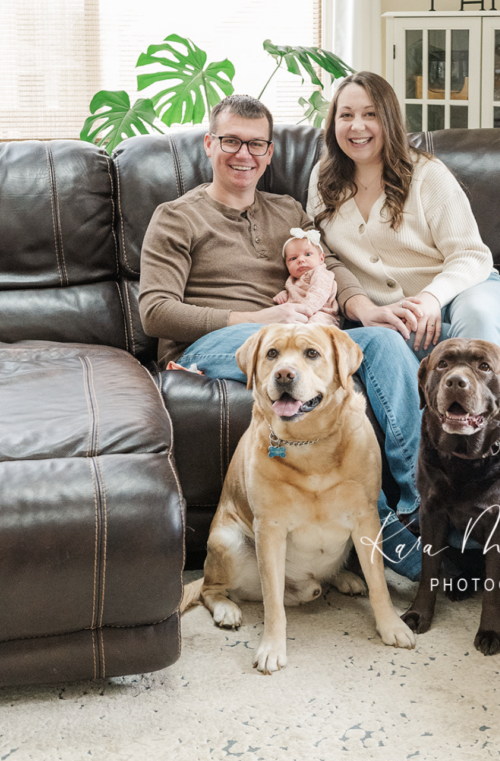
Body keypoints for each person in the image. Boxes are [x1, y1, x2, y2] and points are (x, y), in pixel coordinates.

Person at [138, 93, 424, 580]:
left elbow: (330, 264)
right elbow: (155, 312)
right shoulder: (176, 216)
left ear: (270, 153)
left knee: (386, 344)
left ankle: (419, 498)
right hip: (212, 344)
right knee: (327, 380)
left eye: (255, 144)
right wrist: (257, 321)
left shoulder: (287, 209)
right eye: (230, 141)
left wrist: (364, 309)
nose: (243, 154)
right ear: (209, 144)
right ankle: (394, 542)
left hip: (292, 335)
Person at [306, 71, 500, 358]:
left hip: (468, 293)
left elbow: (471, 255)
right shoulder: (323, 178)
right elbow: (320, 257)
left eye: (370, 114)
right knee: (386, 340)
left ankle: (494, 394)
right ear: (333, 123)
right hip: (402, 318)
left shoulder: (426, 174)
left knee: (477, 318)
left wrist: (432, 297)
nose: (357, 126)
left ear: (390, 121)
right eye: (345, 115)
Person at [273, 227, 340, 327]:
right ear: (286, 264)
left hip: (323, 314)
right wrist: (284, 294)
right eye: (293, 258)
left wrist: (304, 310)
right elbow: (295, 293)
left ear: (321, 258)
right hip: (298, 316)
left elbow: (319, 292)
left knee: (313, 324)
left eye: (308, 254)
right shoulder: (292, 280)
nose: (300, 260)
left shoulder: (321, 273)